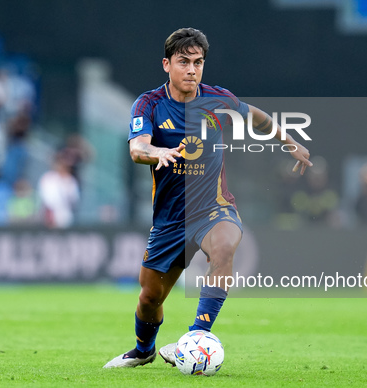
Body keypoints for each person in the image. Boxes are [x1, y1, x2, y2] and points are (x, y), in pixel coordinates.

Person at [103, 28, 312, 369]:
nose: (192, 70)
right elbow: (137, 148)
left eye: (198, 62)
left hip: (214, 209)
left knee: (226, 246)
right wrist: (159, 152)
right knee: (149, 298)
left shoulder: (218, 99)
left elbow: (255, 115)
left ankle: (197, 335)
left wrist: (288, 141)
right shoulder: (149, 104)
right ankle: (144, 350)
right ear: (166, 64)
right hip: (170, 220)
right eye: (183, 62)